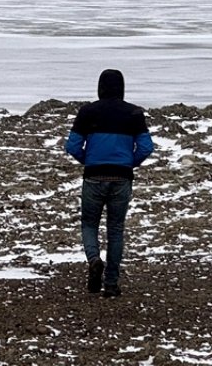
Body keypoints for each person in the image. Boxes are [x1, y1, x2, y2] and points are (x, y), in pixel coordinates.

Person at [65, 69, 154, 297]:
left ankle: (94, 259)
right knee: (115, 230)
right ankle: (111, 284)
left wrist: (89, 161)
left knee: (89, 224)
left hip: (93, 177)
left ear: (100, 87)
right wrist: (128, 164)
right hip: (121, 178)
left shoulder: (87, 112)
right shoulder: (133, 113)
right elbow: (146, 147)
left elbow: (72, 146)